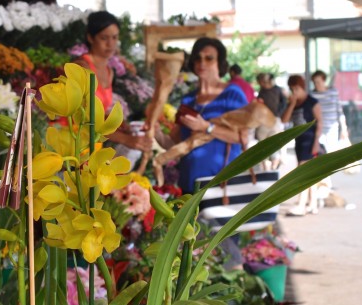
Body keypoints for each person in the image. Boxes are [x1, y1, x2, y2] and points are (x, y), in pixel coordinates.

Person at [162, 37, 248, 194]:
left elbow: (242, 137)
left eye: (209, 58)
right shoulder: (188, 100)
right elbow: (175, 142)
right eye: (198, 58)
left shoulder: (232, 95)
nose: (202, 63)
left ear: (220, 63)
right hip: (189, 184)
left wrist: (207, 127)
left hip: (221, 183)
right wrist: (154, 130)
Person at [73, 10, 151, 153]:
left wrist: (119, 125)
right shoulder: (82, 67)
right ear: (90, 38)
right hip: (74, 143)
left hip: (94, 144)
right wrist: (125, 139)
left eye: (114, 38)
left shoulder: (110, 71)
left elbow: (98, 114)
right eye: (104, 38)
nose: (110, 44)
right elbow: (83, 119)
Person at [281, 74, 322, 216]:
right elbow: (284, 119)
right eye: (292, 89)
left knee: (303, 172)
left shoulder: (312, 102)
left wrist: (316, 142)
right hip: (299, 140)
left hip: (310, 140)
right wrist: (292, 103)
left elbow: (320, 123)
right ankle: (313, 203)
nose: (294, 91)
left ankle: (301, 204)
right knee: (309, 172)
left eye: (296, 88)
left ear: (302, 87)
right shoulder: (293, 102)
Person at [310, 70, 347, 153]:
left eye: (318, 82)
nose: (316, 85)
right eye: (314, 82)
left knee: (332, 153)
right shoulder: (312, 95)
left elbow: (339, 111)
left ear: (324, 80)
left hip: (332, 129)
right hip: (318, 130)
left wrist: (344, 128)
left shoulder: (333, 92)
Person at [255, 72, 286, 170]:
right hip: (264, 121)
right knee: (263, 144)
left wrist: (278, 113)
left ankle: (273, 165)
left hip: (274, 120)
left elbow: (284, 103)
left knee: (274, 144)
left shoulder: (277, 90)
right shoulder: (262, 91)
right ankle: (266, 166)